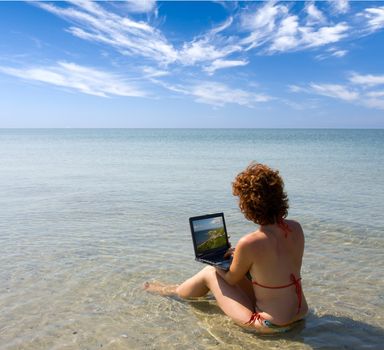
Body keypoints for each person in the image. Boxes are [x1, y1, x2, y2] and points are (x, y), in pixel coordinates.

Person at [145, 162, 308, 333]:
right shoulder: (295, 228)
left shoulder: (250, 243)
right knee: (242, 269)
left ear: (248, 205)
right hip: (300, 314)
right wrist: (240, 256)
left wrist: (213, 259)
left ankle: (173, 292)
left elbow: (230, 279)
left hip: (270, 324)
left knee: (210, 272)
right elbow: (275, 265)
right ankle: (176, 288)